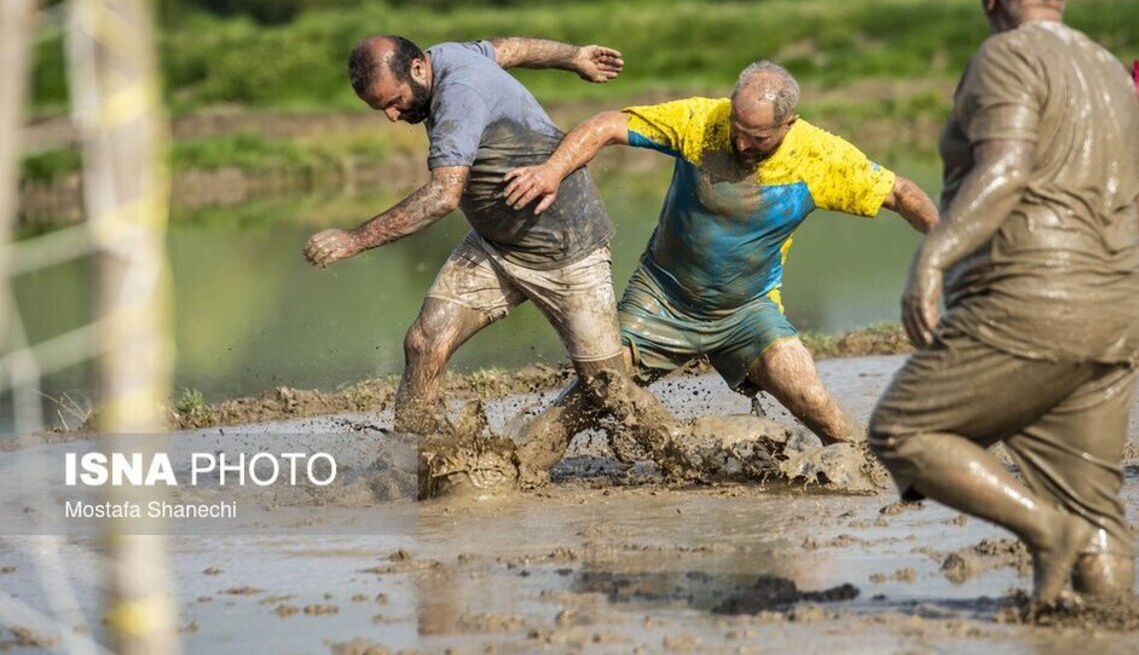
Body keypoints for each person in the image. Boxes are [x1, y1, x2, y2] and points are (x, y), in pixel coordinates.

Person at [867, 0, 1139, 605]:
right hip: (1121, 306)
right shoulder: (1112, 70)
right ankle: (1104, 629)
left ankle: (1044, 531)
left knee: (903, 430)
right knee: (1096, 511)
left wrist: (932, 255)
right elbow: (1138, 191)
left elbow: (1005, 166)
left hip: (1030, 303)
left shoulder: (1005, 57)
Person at [503, 61, 938, 450]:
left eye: (758, 138)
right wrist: (552, 172)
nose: (742, 144)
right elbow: (607, 125)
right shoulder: (701, 121)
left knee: (813, 399)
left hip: (747, 310)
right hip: (662, 299)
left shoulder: (820, 157)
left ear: (789, 124)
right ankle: (518, 465)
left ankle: (866, 468)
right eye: (738, 129)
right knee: (593, 391)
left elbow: (899, 192)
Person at [304, 35, 683, 478]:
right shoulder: (447, 56)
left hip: (565, 250)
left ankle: (688, 456)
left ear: (417, 69)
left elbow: (443, 196)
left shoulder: (458, 95)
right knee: (425, 341)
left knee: (608, 388)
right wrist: (573, 57)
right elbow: (511, 49)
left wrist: (354, 240)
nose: (393, 116)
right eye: (382, 109)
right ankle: (412, 464)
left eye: (395, 102)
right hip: (495, 247)